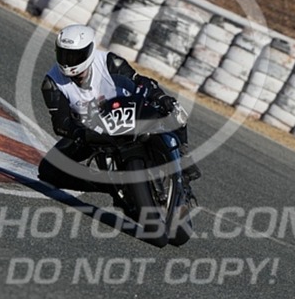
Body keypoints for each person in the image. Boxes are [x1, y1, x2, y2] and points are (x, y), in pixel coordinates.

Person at [39, 24, 201, 202]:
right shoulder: (52, 82)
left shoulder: (110, 61)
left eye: (74, 55)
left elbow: (139, 82)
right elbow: (61, 124)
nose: (68, 61)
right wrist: (81, 133)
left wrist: (160, 97)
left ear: (90, 50)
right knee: (48, 170)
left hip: (129, 114)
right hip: (93, 131)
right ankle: (109, 185)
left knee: (174, 111)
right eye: (64, 54)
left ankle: (183, 159)